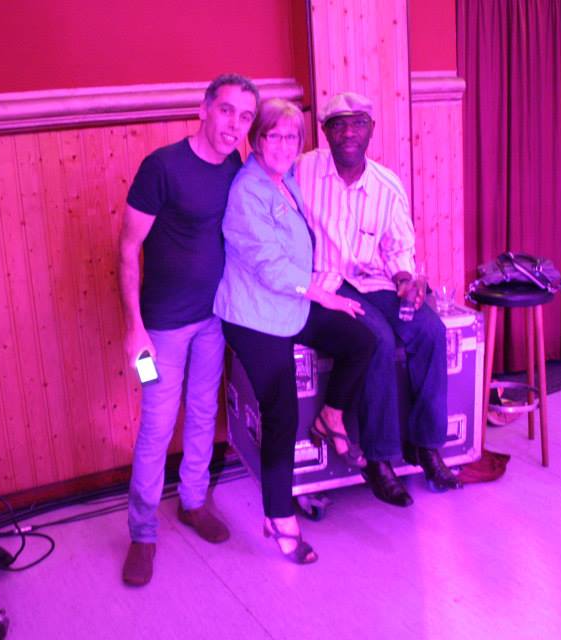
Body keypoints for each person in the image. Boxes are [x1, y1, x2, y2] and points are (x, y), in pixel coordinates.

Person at [215, 98, 375, 564]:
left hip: (291, 302)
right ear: (257, 140)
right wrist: (321, 294)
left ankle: (332, 416)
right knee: (281, 412)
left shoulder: (285, 180)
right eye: (275, 136)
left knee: (360, 340)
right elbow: (268, 265)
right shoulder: (247, 191)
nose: (285, 145)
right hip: (254, 315)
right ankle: (279, 515)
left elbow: (296, 249)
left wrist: (322, 284)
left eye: (292, 137)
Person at [118, 73, 260, 586]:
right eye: (226, 110)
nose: (235, 125)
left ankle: (193, 501)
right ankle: (142, 533)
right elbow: (127, 249)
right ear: (203, 109)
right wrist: (134, 329)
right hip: (158, 330)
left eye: (245, 117)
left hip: (213, 321)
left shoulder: (236, 167)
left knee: (203, 412)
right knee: (156, 426)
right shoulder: (161, 167)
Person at [296, 92, 463, 508]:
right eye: (338, 124)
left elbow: (398, 249)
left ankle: (426, 445)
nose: (348, 133)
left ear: (371, 129)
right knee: (378, 340)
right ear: (325, 132)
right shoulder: (302, 171)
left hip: (375, 281)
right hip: (326, 283)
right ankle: (379, 457)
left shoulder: (387, 185)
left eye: (358, 124)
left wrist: (406, 279)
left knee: (430, 330)